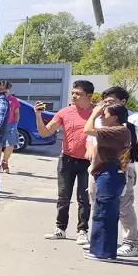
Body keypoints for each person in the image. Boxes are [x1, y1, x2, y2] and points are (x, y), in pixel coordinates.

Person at [87, 86, 138, 256]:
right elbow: (91, 137)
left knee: (123, 205)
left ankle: (130, 242)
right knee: (99, 205)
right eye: (104, 102)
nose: (106, 105)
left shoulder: (134, 120)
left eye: (111, 102)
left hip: (121, 168)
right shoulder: (102, 118)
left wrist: (118, 151)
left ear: (123, 102)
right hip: (98, 167)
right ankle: (100, 241)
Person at [34, 80, 95, 244]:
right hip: (67, 160)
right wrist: (38, 116)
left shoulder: (96, 114)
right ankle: (60, 229)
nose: (74, 96)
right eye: (73, 93)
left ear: (89, 96)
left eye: (78, 94)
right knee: (63, 197)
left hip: (88, 162)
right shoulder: (65, 112)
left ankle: (82, 230)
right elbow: (45, 132)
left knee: (84, 198)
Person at [83, 102, 136, 261]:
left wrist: (94, 113)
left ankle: (104, 252)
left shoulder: (118, 130)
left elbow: (87, 130)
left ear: (114, 117)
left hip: (110, 174)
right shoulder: (119, 129)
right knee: (103, 212)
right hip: (108, 173)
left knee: (104, 214)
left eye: (105, 115)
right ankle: (99, 249)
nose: (101, 117)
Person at [0, 81, 21, 173]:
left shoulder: (13, 100)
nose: (3, 91)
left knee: (10, 145)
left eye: (5, 89)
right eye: (1, 89)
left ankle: (5, 162)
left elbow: (16, 113)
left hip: (10, 125)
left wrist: (15, 124)